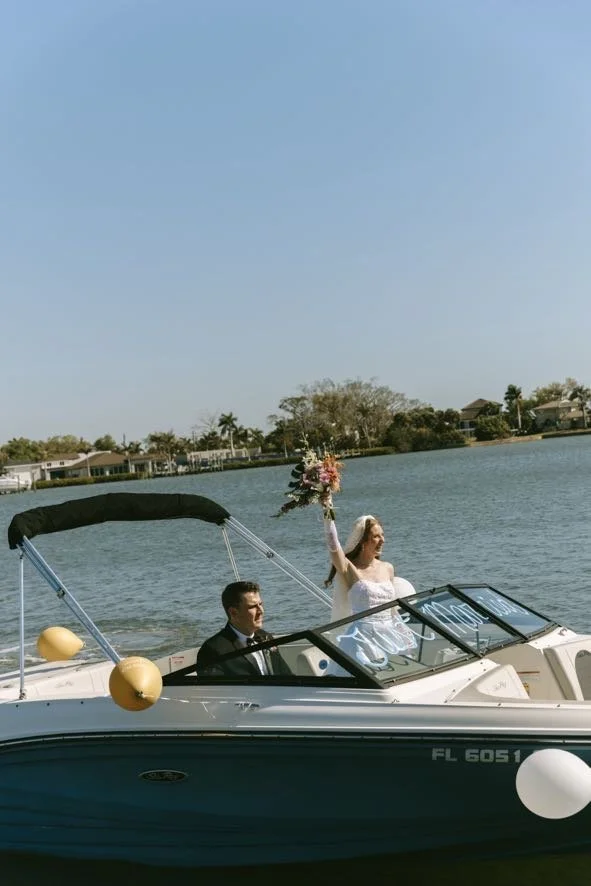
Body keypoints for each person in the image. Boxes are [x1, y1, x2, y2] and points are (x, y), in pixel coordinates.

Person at [320, 498, 417, 666]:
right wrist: (327, 513)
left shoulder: (388, 568)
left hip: (390, 635)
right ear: (363, 542)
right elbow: (334, 547)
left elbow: (393, 607)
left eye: (383, 535)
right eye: (376, 536)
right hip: (362, 640)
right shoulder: (350, 569)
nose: (382, 540)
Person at [196, 580, 291, 677]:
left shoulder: (266, 637)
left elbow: (288, 676)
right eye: (253, 607)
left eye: (260, 604)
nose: (261, 611)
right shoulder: (213, 650)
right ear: (233, 613)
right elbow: (216, 691)